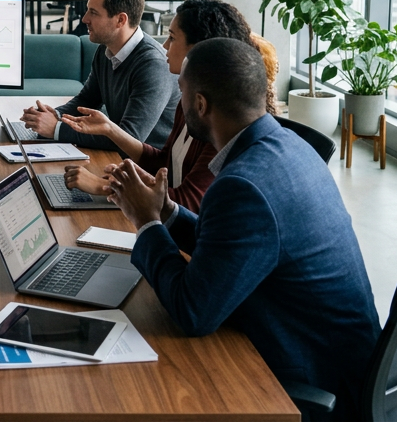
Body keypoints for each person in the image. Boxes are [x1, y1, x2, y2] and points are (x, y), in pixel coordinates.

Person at [108, 38, 380, 419]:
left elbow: (192, 313)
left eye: (181, 93)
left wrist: (146, 222)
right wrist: (167, 210)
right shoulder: (288, 143)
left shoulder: (243, 186)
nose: (179, 105)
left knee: (141, 386)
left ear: (200, 105)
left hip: (313, 380)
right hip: (341, 356)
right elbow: (230, 243)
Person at [59, 0, 274, 212]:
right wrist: (110, 130)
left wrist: (106, 186)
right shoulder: (189, 99)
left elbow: (187, 202)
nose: (164, 47)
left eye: (172, 38)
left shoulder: (222, 119)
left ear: (199, 50)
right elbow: (165, 161)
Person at [20, 0, 179, 151]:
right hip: (118, 158)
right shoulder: (106, 50)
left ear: (120, 20)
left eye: (93, 13)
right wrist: (53, 115)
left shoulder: (153, 65)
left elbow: (129, 136)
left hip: (147, 168)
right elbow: (86, 100)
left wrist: (56, 129)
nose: (84, 19)